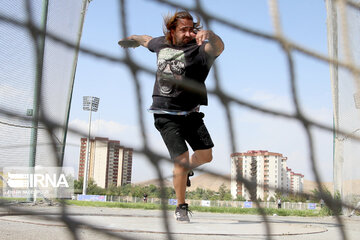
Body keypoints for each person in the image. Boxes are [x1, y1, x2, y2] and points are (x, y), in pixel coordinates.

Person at [124, 10, 224, 223]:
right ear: (172, 31)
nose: (188, 34)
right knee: (181, 160)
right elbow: (146, 40)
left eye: (191, 29)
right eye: (183, 30)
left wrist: (211, 34)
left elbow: (219, 47)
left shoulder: (200, 49)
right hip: (164, 114)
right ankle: (181, 206)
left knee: (206, 156)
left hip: (191, 114)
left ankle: (185, 170)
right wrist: (132, 39)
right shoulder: (161, 43)